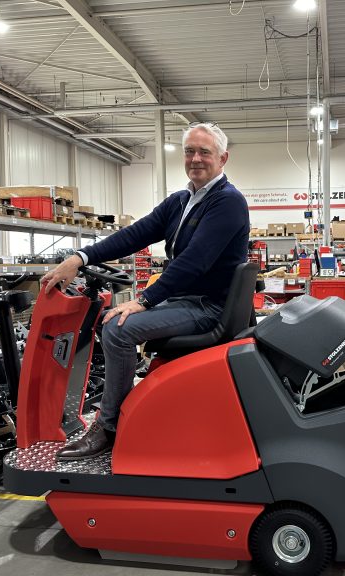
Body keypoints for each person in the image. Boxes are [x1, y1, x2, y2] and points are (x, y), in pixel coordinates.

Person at [41, 122, 249, 460]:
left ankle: (109, 426)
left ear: (222, 158)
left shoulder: (227, 202)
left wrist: (144, 300)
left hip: (208, 307)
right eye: (189, 151)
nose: (195, 158)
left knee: (118, 330)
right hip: (186, 300)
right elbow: (134, 235)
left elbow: (194, 262)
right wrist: (79, 258)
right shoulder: (181, 201)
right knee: (109, 322)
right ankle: (124, 412)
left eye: (204, 152)